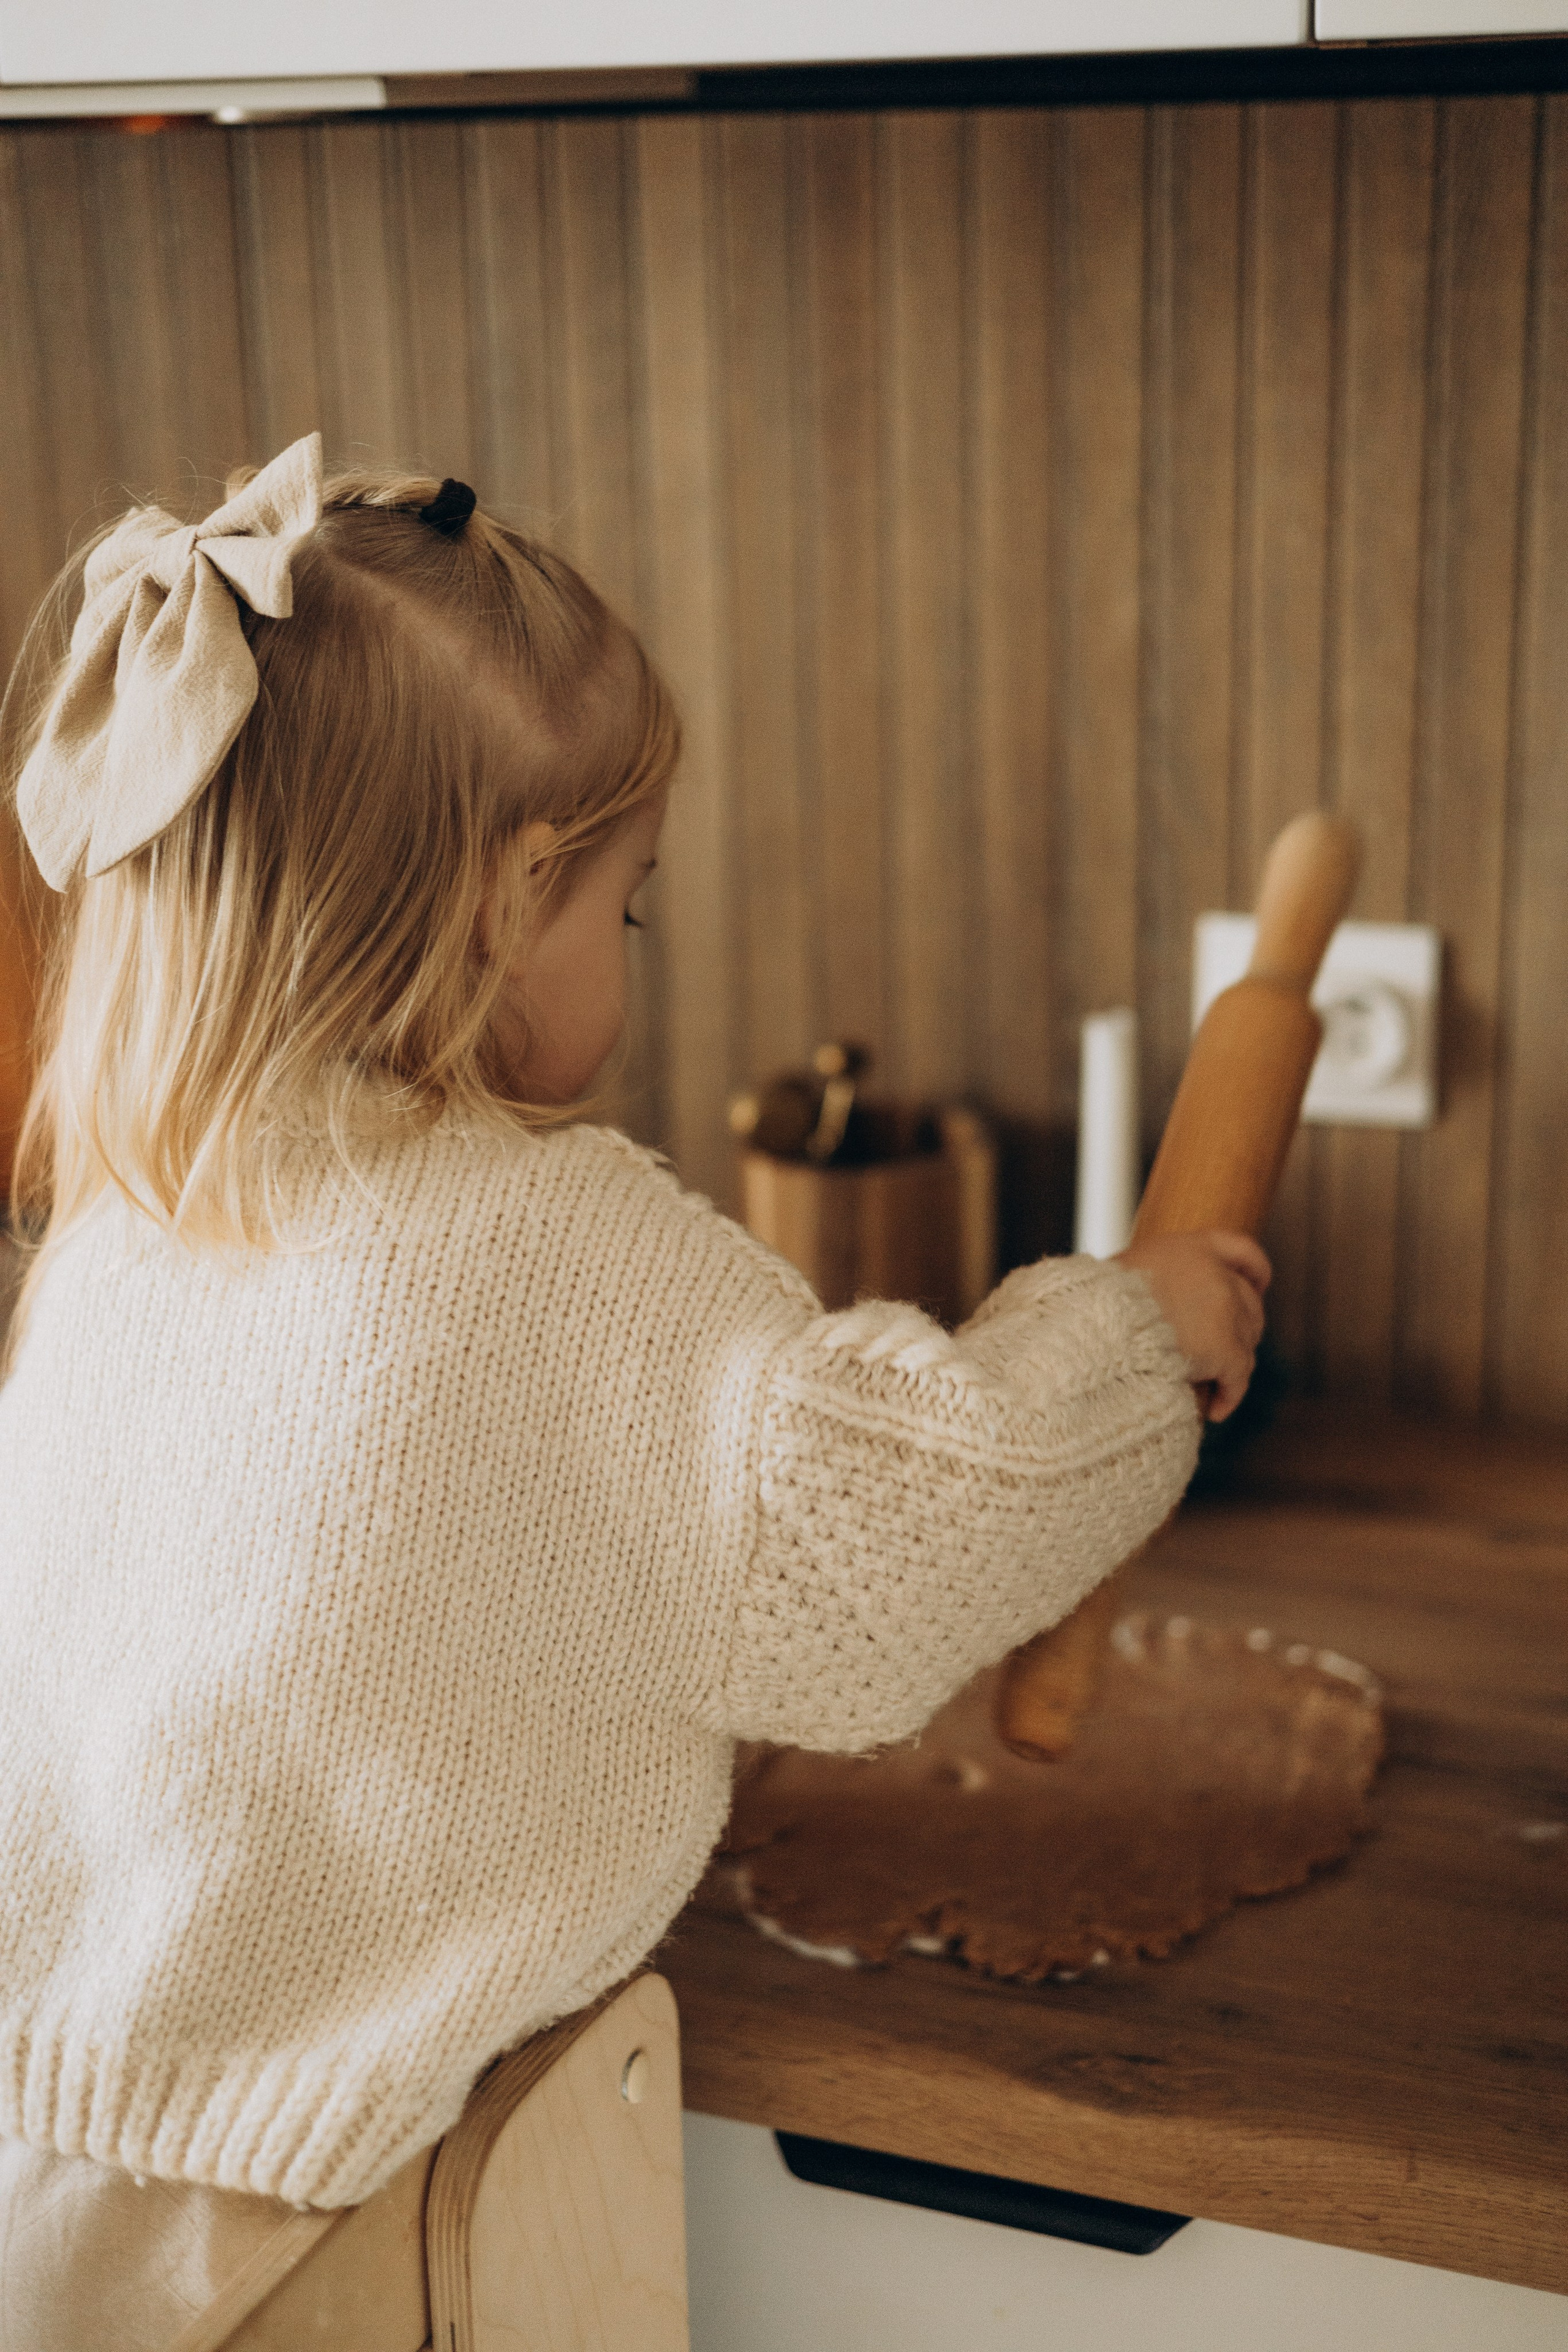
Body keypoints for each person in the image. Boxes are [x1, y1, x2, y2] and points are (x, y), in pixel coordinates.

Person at [0, 435, 1267, 2343]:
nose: (631, 950)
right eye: (627, 903)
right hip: (278, 2241)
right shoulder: (555, 1257)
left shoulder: (123, 1228)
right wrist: (1136, 1331)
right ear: (510, 896)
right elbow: (915, 1523)